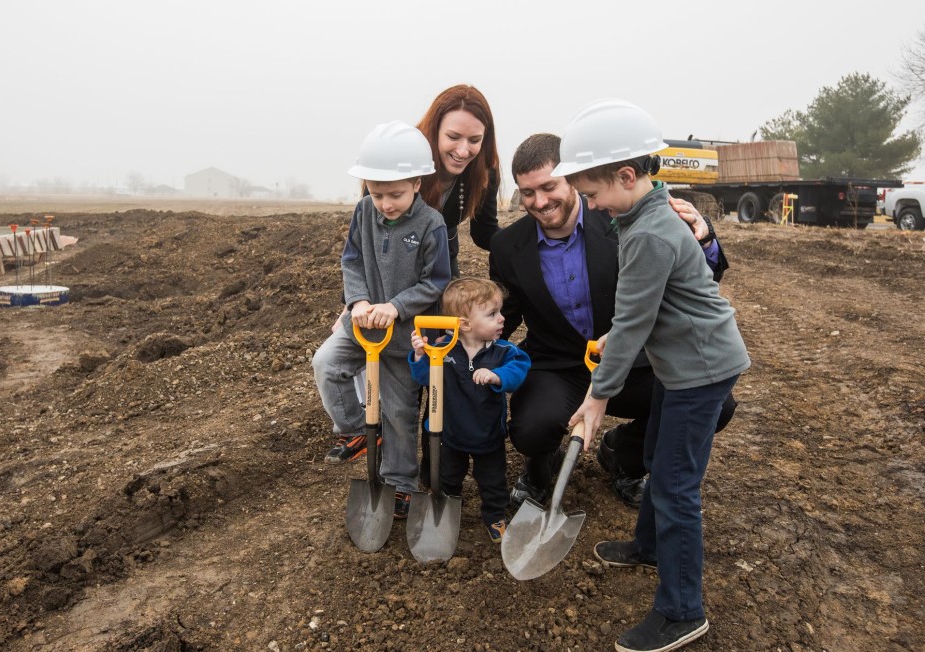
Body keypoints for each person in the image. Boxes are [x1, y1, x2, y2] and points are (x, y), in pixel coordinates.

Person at [557, 99, 750, 652]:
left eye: (590, 194)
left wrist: (597, 399)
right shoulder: (642, 213)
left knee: (674, 484)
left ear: (626, 175)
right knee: (660, 458)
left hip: (700, 370)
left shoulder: (649, 235)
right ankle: (647, 546)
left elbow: (632, 323)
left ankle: (682, 611)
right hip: (681, 363)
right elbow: (635, 322)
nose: (588, 205)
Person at [490, 133, 736, 509]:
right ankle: (541, 468)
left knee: (715, 405)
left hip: (631, 363)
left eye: (548, 187)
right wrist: (470, 345)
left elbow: (704, 277)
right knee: (532, 427)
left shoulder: (623, 217)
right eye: (527, 193)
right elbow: (505, 317)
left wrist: (704, 241)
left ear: (573, 179)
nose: (539, 202)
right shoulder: (507, 247)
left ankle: (623, 455)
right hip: (559, 368)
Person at [312, 121, 451, 518]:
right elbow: (351, 260)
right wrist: (357, 301)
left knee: (400, 413)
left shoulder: (430, 225)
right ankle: (358, 430)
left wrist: (396, 307)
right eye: (377, 194)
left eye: (395, 194)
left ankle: (400, 484)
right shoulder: (363, 213)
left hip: (404, 335)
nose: (386, 204)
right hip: (363, 325)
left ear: (417, 184)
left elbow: (436, 281)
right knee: (326, 364)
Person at [408, 277, 531, 543]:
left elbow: (520, 370)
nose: (501, 319)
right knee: (448, 476)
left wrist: (497, 376)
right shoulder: (442, 349)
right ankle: (448, 510)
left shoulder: (503, 352)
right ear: (463, 324)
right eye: (492, 314)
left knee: (492, 480)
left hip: (487, 434)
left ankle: (495, 514)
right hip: (449, 433)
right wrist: (420, 355)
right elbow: (425, 378)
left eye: (500, 311)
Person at [415, 84, 502, 277]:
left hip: (443, 262)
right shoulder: (400, 155)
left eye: (474, 140)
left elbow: (484, 233)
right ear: (434, 129)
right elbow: (368, 232)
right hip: (393, 266)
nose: (463, 151)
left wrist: (528, 240)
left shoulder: (486, 172)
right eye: (453, 137)